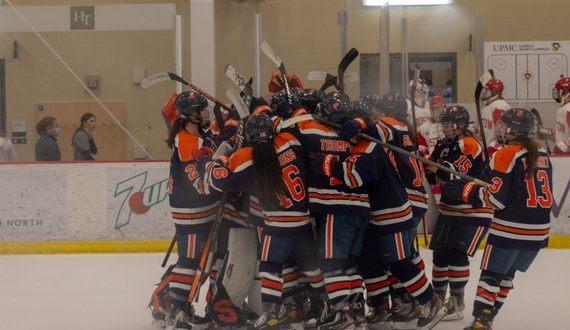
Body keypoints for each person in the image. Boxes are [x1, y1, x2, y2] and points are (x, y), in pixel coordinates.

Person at [198, 113, 325, 329]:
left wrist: (212, 162)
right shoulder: (290, 140)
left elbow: (219, 180)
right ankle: (330, 304)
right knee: (310, 265)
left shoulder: (247, 156)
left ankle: (272, 314)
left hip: (277, 224)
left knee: (269, 267)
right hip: (303, 220)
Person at [443, 108, 552, 330]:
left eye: (503, 125)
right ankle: (488, 318)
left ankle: (481, 322)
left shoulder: (505, 153)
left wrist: (467, 191)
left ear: (513, 129)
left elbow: (496, 200)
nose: (499, 128)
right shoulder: (541, 150)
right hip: (540, 230)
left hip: (511, 228)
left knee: (491, 276)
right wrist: (489, 177)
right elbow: (517, 186)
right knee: (507, 275)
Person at [425, 105, 494, 322]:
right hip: (449, 210)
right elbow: (433, 175)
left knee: (456, 254)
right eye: (443, 124)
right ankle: (438, 297)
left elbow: (454, 172)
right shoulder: (444, 144)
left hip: (473, 212)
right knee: (439, 254)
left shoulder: (469, 143)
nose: (444, 129)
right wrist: (429, 164)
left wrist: (436, 167)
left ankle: (456, 300)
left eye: (448, 125)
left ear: (460, 126)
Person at [163, 91, 217, 330]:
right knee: (190, 261)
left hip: (199, 208)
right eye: (201, 111)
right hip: (192, 210)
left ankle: (174, 307)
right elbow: (201, 185)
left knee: (198, 260)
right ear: (190, 116)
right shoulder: (187, 142)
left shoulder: (197, 134)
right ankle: (176, 311)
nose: (206, 114)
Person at [474, 78, 511, 157]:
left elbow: (501, 131)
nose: (483, 92)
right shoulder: (485, 107)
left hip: (495, 151)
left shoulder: (500, 105)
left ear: (494, 92)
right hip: (485, 150)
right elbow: (477, 130)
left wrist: (495, 147)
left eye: (486, 90)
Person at [552, 77, 570, 154]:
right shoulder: (563, 108)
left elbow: (563, 145)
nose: (557, 93)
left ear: (566, 92)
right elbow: (564, 134)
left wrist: (563, 146)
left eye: (559, 90)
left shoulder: (568, 109)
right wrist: (551, 134)